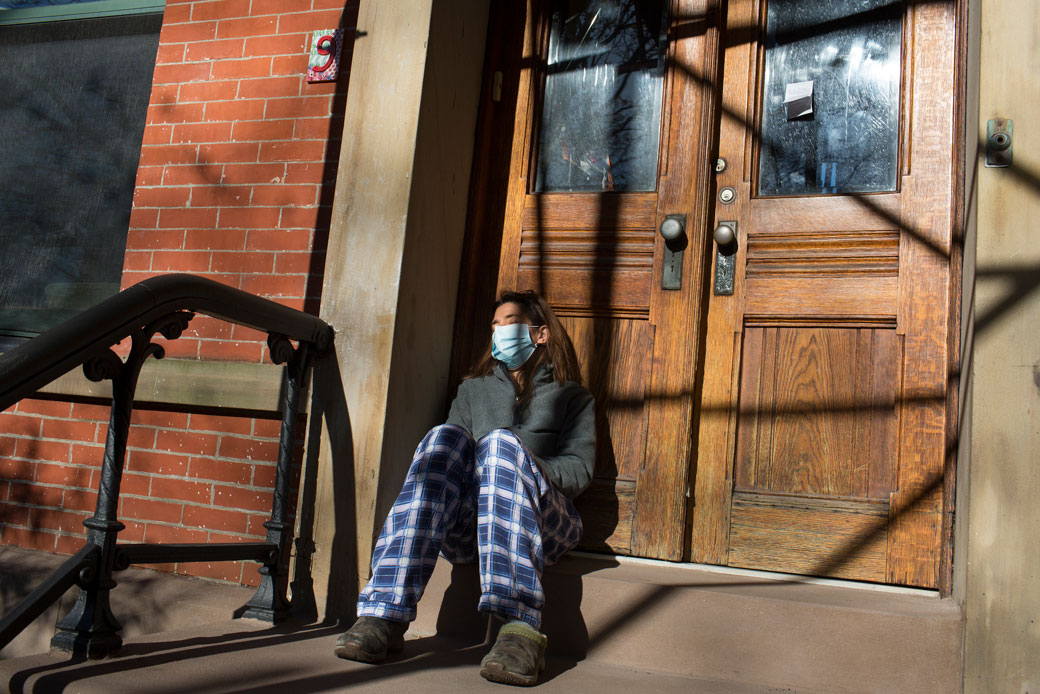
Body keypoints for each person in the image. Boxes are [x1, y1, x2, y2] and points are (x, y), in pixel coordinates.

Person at [333, 290, 596, 687]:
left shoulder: (572, 397)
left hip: (546, 523)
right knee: (443, 439)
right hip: (473, 527)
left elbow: (578, 471)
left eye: (506, 322)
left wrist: (520, 462)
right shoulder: (472, 391)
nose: (497, 332)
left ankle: (519, 630)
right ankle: (383, 614)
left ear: (540, 334)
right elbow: (449, 465)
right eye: (493, 326)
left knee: (500, 445)